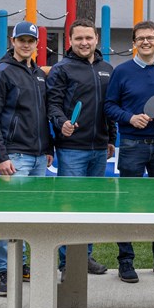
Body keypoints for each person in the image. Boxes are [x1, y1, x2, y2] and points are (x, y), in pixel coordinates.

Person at [0, 21, 53, 297]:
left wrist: (49, 149)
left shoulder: (38, 74)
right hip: (14, 156)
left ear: (37, 45)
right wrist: (1, 156)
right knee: (10, 214)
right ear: (13, 41)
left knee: (32, 215)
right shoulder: (1, 72)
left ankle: (21, 264)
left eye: (31, 41)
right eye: (21, 40)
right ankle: (1, 271)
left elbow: (42, 115)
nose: (26, 44)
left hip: (38, 157)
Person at [104, 20, 154, 283]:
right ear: (134, 43)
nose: (146, 42)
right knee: (127, 204)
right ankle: (125, 261)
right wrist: (129, 118)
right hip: (133, 146)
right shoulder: (121, 72)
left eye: (151, 38)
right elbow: (109, 106)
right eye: (141, 38)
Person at [46, 19, 117, 278]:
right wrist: (62, 122)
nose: (84, 43)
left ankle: (85, 256)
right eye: (79, 39)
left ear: (96, 38)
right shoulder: (61, 69)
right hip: (72, 149)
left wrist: (111, 138)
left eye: (88, 38)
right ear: (70, 41)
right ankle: (67, 262)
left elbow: (109, 109)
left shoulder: (108, 69)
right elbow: (52, 105)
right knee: (70, 205)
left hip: (99, 148)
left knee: (91, 205)